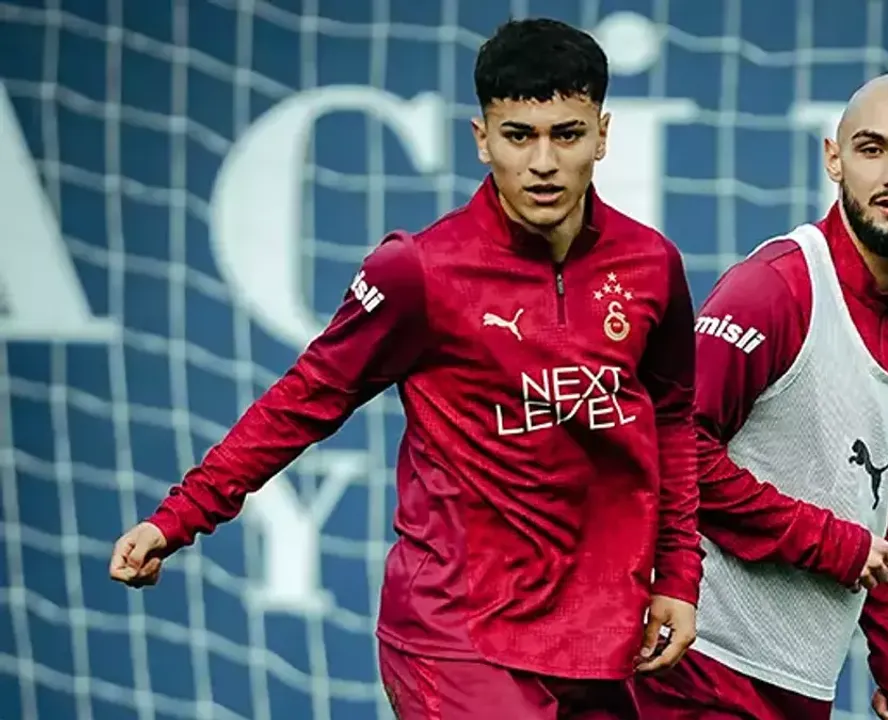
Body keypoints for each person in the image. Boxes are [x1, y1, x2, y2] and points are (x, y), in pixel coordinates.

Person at [108, 18, 703, 719]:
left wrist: (678, 576)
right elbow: (306, 399)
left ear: (601, 136)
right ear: (482, 139)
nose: (543, 162)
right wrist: (179, 517)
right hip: (456, 636)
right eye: (518, 136)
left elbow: (671, 422)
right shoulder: (419, 271)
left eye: (566, 135)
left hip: (599, 634)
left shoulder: (651, 265)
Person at [634, 73, 888, 720]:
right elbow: (676, 451)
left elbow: (885, 496)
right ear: (833, 159)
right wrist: (830, 544)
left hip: (803, 684)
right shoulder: (776, 289)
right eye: (872, 149)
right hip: (694, 666)